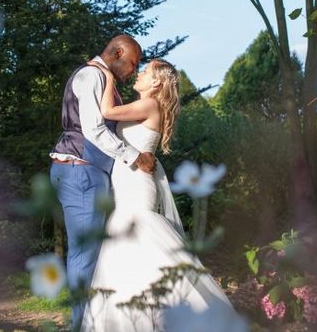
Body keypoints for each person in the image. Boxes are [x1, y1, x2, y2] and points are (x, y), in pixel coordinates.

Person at [81, 58, 237, 331]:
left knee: (143, 240)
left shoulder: (150, 105)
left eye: (144, 72)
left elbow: (106, 110)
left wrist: (106, 73)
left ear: (156, 82)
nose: (138, 75)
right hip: (131, 183)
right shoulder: (148, 105)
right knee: (130, 248)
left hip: (137, 187)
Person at [50, 35, 157, 330]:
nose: (133, 71)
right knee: (84, 257)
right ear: (118, 52)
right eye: (133, 63)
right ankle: (80, 326)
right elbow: (94, 130)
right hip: (80, 170)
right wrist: (135, 157)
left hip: (86, 173)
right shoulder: (91, 75)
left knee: (92, 255)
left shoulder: (102, 78)